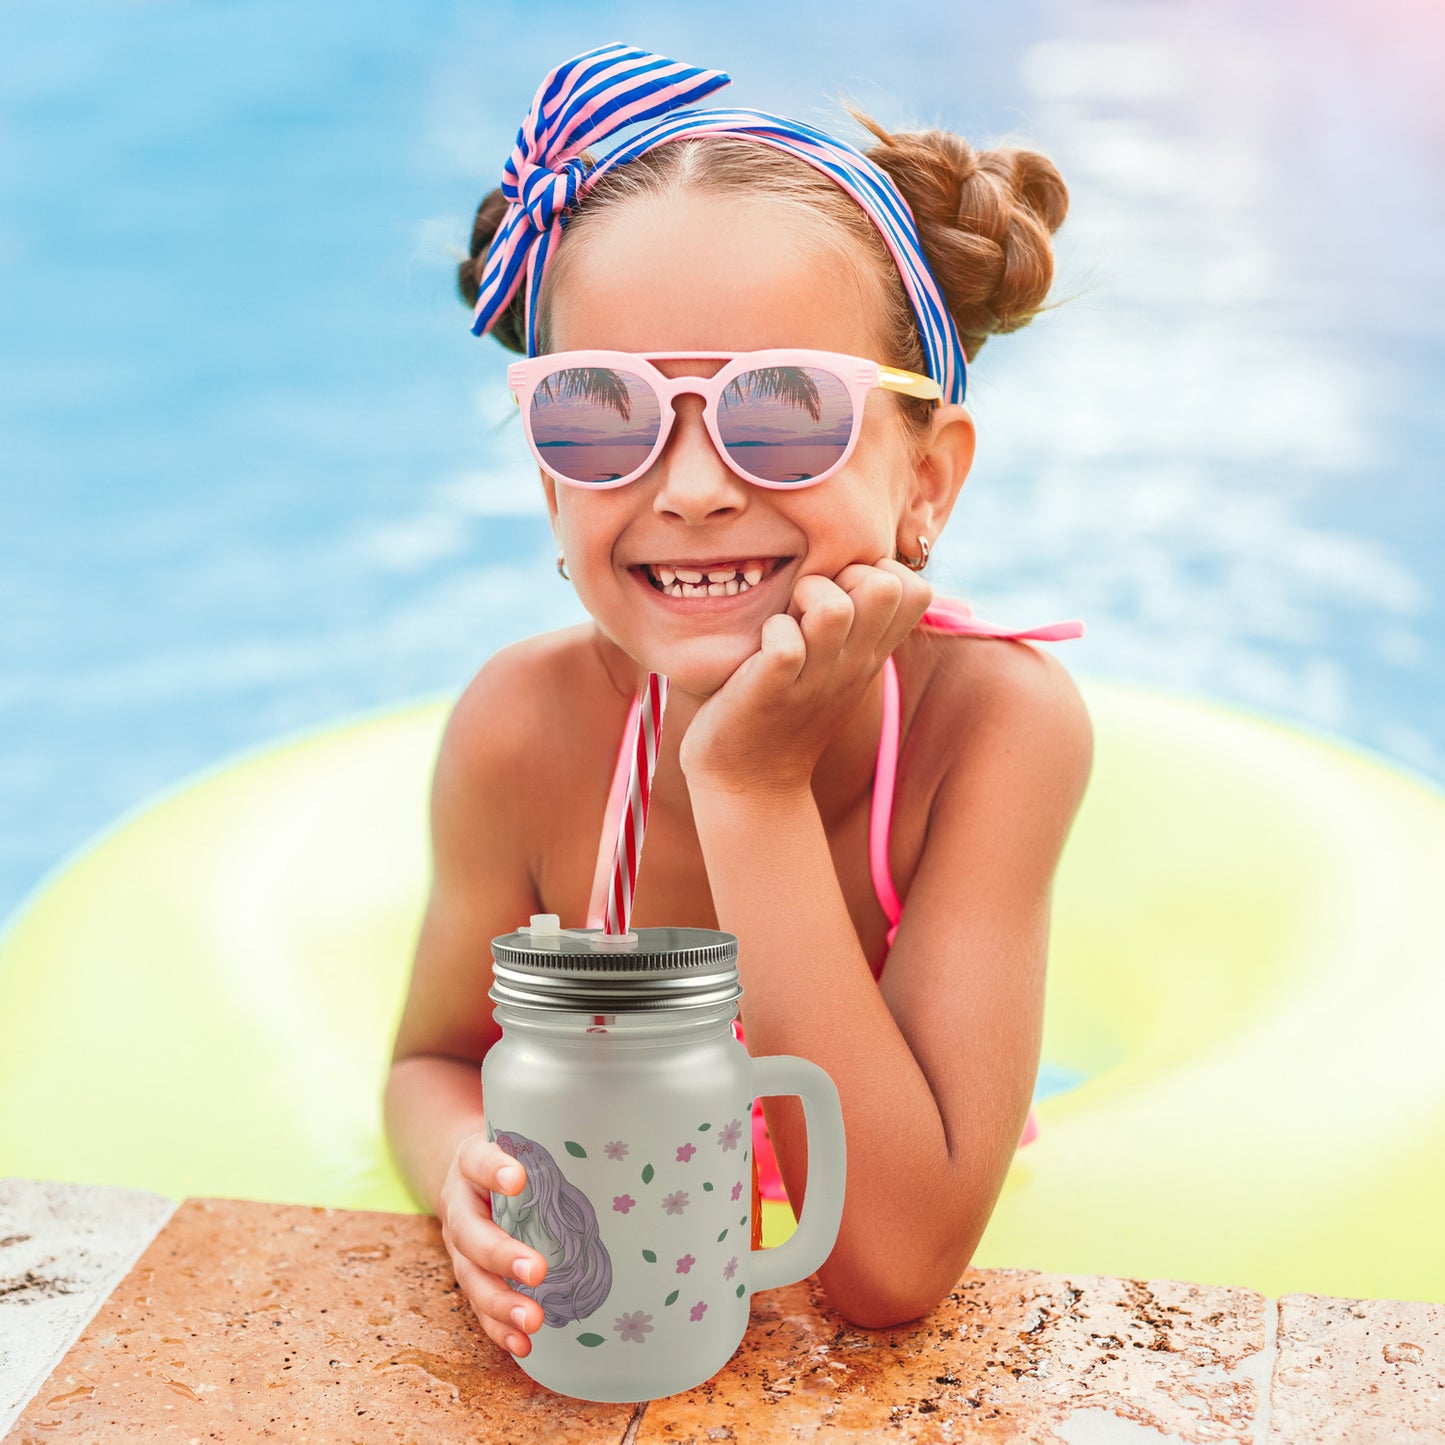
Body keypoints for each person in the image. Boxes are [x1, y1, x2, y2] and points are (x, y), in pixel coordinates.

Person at [383, 43, 1092, 1360]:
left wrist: (746, 782)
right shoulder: (520, 729)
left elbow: (887, 1267)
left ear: (927, 480)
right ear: (550, 488)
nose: (693, 483)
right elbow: (430, 1060)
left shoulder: (992, 728)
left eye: (782, 411)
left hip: (904, 1152)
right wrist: (464, 1171)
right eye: (602, 416)